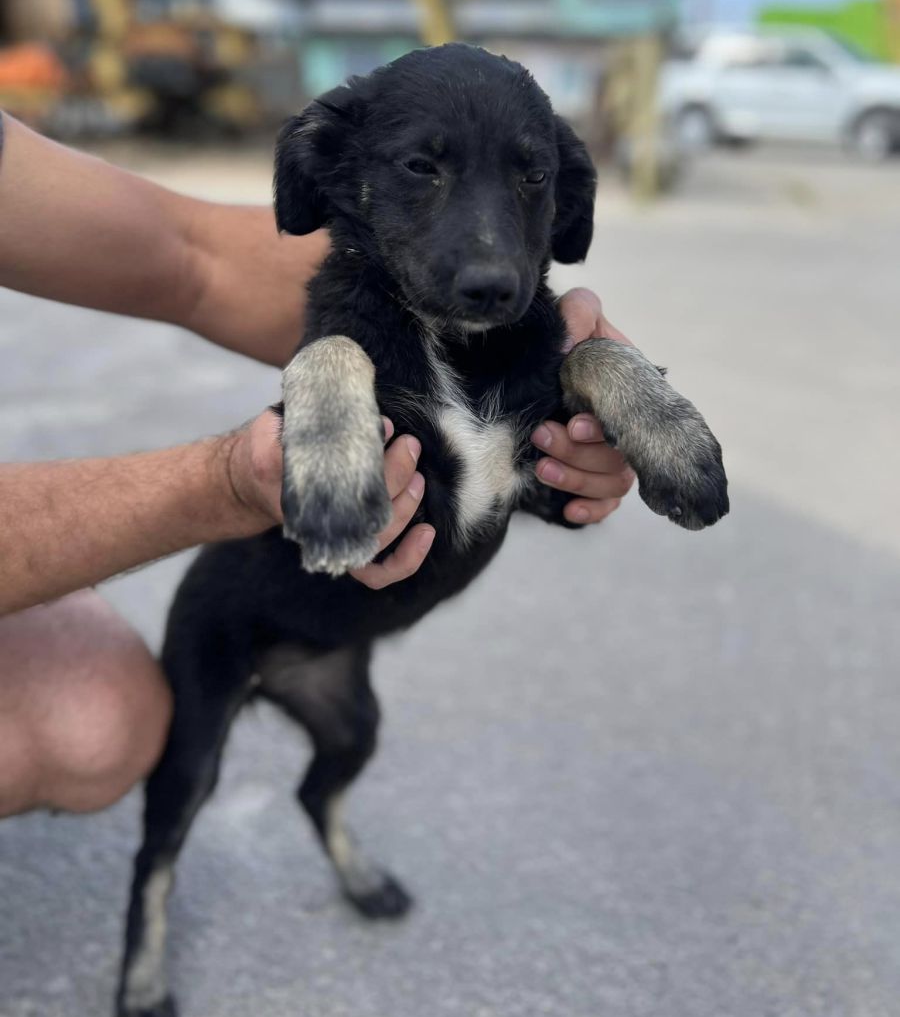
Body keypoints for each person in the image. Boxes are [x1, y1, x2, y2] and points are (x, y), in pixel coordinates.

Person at [0, 112, 635, 819]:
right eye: (421, 168)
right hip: (252, 606)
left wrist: (512, 336)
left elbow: (186, 252)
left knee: (91, 715)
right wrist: (228, 482)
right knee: (85, 727)